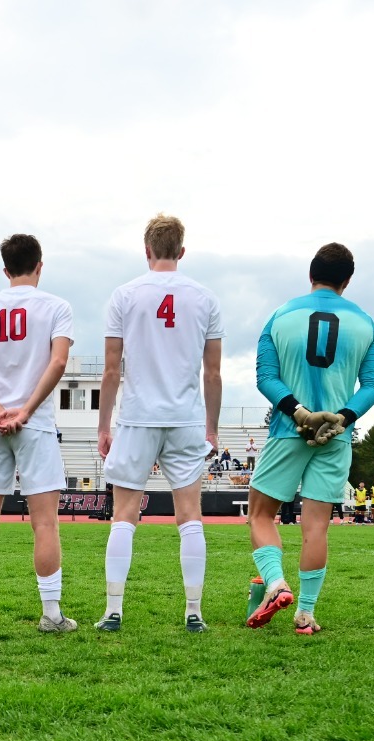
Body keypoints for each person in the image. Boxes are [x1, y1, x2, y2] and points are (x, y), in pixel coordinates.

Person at [244, 243, 374, 634]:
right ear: (347, 281)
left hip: (290, 429)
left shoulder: (279, 316)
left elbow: (265, 378)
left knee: (260, 514)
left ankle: (274, 582)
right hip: (335, 438)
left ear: (310, 275)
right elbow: (373, 384)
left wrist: (300, 412)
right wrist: (342, 418)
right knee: (316, 527)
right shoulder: (368, 324)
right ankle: (305, 615)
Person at [97, 214, 224, 631]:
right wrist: (212, 427)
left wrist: (103, 427)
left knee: (124, 515)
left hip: (137, 417)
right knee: (190, 516)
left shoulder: (124, 295)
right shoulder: (205, 298)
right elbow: (213, 373)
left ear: (147, 250)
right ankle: (194, 613)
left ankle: (114, 611)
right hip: (184, 417)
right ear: (181, 251)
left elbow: (112, 369)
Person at [0, 233, 79, 632]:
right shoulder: (57, 307)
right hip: (36, 423)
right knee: (45, 523)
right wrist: (25, 410)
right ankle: (51, 615)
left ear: (5, 269)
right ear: (40, 265)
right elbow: (58, 362)